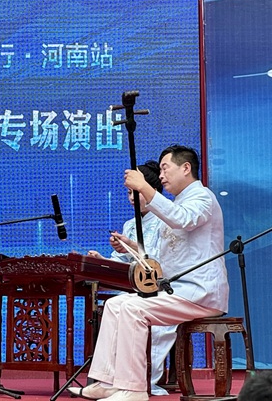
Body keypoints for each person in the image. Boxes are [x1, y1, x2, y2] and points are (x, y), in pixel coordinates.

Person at [69, 145, 229, 401]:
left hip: (199, 290)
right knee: (115, 305)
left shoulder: (202, 198)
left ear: (186, 168)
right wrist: (132, 247)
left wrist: (144, 186)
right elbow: (159, 257)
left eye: (165, 168)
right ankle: (106, 381)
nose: (162, 176)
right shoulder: (177, 203)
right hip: (177, 289)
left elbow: (183, 219)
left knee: (132, 309)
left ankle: (134, 389)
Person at [87, 160, 177, 396]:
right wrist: (103, 259)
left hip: (159, 288)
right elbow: (124, 264)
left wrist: (132, 247)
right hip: (132, 290)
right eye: (128, 193)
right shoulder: (129, 225)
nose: (130, 199)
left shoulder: (166, 220)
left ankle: (139, 381)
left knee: (143, 319)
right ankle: (108, 381)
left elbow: (162, 262)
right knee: (114, 307)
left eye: (135, 193)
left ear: (152, 190)